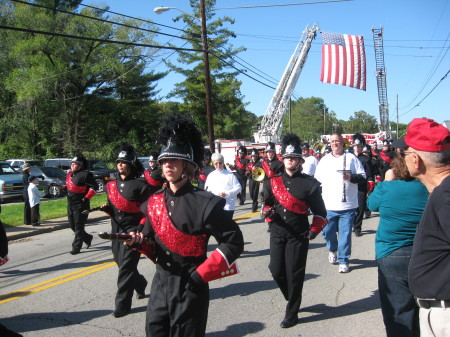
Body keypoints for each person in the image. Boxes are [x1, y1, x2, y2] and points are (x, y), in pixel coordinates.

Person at [127, 113, 244, 337]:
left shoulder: (206, 203)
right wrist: (138, 240)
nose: (167, 165)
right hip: (161, 282)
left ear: (187, 166)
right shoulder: (154, 201)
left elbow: (233, 242)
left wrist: (201, 275)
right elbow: (149, 238)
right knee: (154, 331)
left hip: (191, 284)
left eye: (173, 160)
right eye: (164, 161)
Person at [262, 133, 327, 328]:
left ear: (300, 160)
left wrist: (313, 231)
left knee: (295, 273)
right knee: (276, 270)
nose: (290, 160)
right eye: (287, 157)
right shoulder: (271, 181)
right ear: (283, 159)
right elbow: (265, 205)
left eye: (294, 157)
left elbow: (321, 213)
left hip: (299, 234)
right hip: (277, 232)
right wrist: (267, 213)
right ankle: (292, 297)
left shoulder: (310, 184)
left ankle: (292, 312)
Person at [395, 118, 450, 337]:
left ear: (415, 159)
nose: (403, 160)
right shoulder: (442, 192)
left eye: (404, 154)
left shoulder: (446, 196)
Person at [367, 155, 428, 337]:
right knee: (424, 310)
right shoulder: (426, 188)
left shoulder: (387, 187)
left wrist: (386, 181)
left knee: (398, 312)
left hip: (391, 253)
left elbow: (371, 204)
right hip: (422, 252)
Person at [100, 144, 154, 318]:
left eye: (123, 162)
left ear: (130, 164)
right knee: (121, 263)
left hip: (132, 230)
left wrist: (140, 230)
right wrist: (107, 209)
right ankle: (140, 283)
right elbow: (116, 208)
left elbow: (148, 210)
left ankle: (122, 304)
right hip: (116, 229)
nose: (120, 165)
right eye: (118, 162)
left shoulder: (140, 184)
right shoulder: (111, 185)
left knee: (125, 268)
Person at [314, 132, 366, 273]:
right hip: (329, 205)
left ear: (343, 143)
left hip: (348, 205)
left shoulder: (351, 158)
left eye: (337, 141)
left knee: (345, 234)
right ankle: (332, 249)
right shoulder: (324, 160)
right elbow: (317, 181)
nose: (335, 144)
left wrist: (350, 177)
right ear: (329, 144)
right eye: (332, 142)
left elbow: (362, 177)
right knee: (327, 232)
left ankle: (344, 259)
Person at [65, 153, 97, 255]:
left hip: (81, 204)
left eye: (76, 164)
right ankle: (87, 237)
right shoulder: (70, 174)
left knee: (79, 226)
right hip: (71, 203)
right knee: (72, 225)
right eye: (72, 164)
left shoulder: (86, 174)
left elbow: (94, 187)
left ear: (81, 165)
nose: (73, 166)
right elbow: (71, 186)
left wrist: (86, 197)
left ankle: (76, 247)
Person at [204, 152, 242, 220]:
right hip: (215, 206)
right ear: (213, 164)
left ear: (223, 162)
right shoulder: (211, 176)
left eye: (220, 163)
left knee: (227, 227)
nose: (218, 165)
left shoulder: (230, 175)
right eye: (216, 163)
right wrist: (215, 194)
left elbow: (238, 188)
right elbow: (207, 190)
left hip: (228, 206)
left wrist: (226, 193)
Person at [351, 133, 375, 237]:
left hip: (361, 186)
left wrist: (369, 189)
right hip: (350, 186)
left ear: (362, 147)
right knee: (351, 208)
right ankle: (352, 224)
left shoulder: (366, 160)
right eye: (355, 146)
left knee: (361, 208)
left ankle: (357, 227)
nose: (357, 148)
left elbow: (370, 175)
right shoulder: (348, 157)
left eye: (359, 146)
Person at [247, 148, 262, 212]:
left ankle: (254, 206)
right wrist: (248, 172)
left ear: (257, 156)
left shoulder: (260, 163)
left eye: (255, 156)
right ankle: (255, 202)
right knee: (251, 194)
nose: (253, 157)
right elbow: (247, 171)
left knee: (255, 193)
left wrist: (256, 170)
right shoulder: (249, 164)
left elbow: (261, 172)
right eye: (252, 156)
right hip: (251, 179)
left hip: (257, 179)